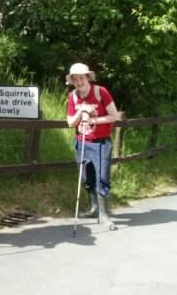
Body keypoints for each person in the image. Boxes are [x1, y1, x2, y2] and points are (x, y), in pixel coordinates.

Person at [66, 63, 120, 230]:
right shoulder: (73, 96)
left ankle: (103, 214)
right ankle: (93, 208)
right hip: (82, 142)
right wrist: (80, 111)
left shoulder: (100, 92)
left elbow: (114, 116)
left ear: (88, 77)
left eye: (82, 78)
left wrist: (92, 120)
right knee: (86, 178)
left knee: (102, 178)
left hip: (101, 143)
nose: (79, 82)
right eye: (76, 79)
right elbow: (70, 123)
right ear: (72, 80)